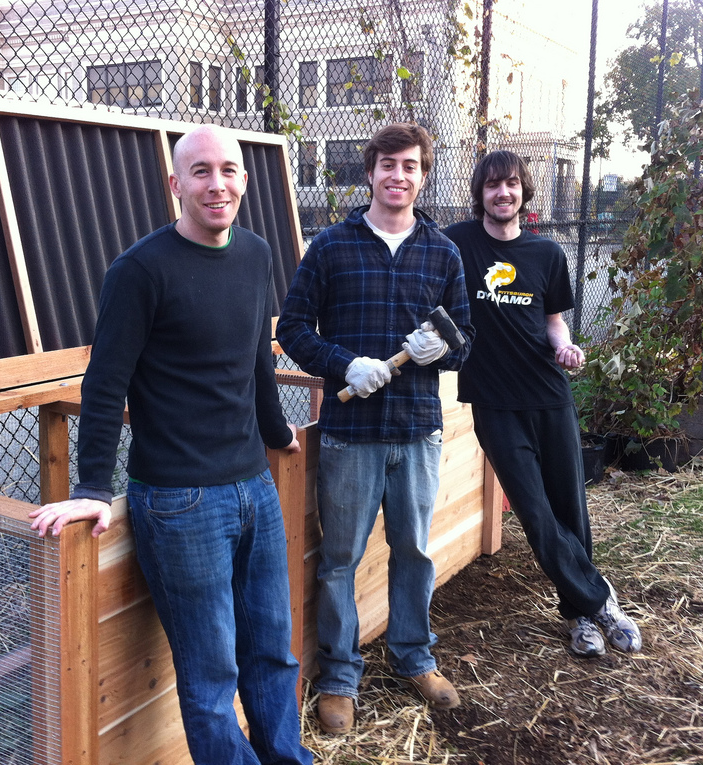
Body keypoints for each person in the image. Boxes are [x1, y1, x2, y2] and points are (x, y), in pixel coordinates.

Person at [29, 125, 312, 765]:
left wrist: (275, 432)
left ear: (245, 179)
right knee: (211, 675)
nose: (218, 184)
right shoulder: (139, 270)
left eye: (230, 170)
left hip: (255, 489)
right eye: (202, 171)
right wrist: (93, 490)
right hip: (181, 503)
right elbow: (105, 385)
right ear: (175, 184)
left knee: (272, 649)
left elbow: (255, 359)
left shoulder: (257, 254)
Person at [276, 123, 474, 735]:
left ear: (423, 174)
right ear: (370, 173)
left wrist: (434, 348)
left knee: (413, 551)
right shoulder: (331, 247)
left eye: (411, 165)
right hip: (348, 434)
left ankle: (413, 657)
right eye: (388, 164)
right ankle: (339, 675)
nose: (399, 175)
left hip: (417, 430)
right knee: (340, 559)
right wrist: (344, 364)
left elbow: (463, 345)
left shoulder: (442, 253)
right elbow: (294, 330)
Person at [443, 150, 642, 659]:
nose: (502, 193)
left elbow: (553, 321)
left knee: (570, 507)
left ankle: (579, 616)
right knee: (534, 513)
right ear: (480, 193)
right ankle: (602, 600)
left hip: (550, 396)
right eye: (492, 185)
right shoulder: (458, 242)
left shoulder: (547, 254)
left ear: (523, 191)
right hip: (493, 401)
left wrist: (564, 346)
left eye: (510, 184)